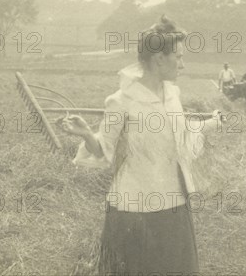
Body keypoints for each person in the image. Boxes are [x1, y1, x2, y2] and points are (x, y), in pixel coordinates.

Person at [61, 15, 222, 275]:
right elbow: (104, 151)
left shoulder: (173, 95)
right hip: (134, 210)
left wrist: (212, 123)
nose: (183, 64)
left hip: (174, 204)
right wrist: (86, 135)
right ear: (159, 59)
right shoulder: (121, 101)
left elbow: (180, 136)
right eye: (178, 57)